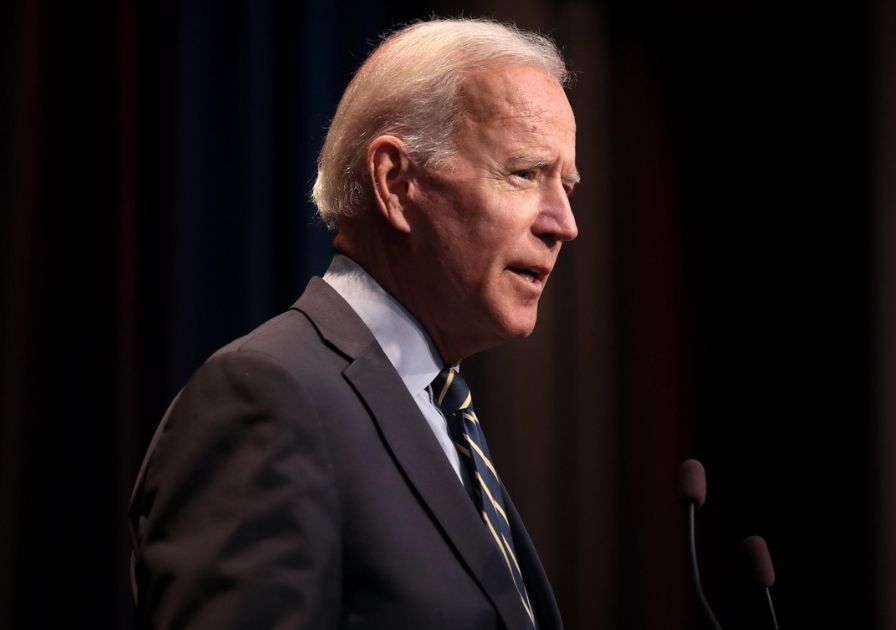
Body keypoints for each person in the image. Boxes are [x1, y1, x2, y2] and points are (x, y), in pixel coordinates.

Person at [127, 18, 579, 629]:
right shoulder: (268, 397)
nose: (563, 223)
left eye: (566, 184)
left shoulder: (440, 409)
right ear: (396, 183)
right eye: (525, 173)